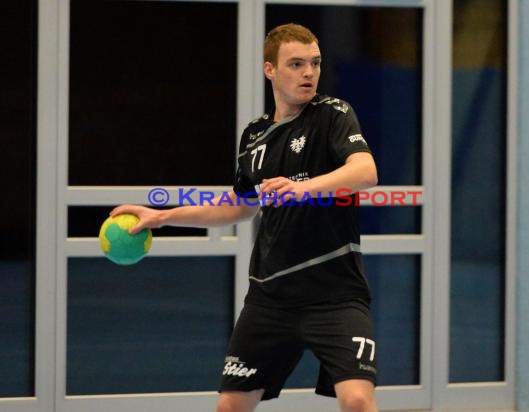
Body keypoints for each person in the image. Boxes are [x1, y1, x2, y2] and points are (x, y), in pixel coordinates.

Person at [112, 23, 379, 412]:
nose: (309, 73)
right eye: (296, 64)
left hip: (335, 296)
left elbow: (365, 171)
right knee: (230, 406)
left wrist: (302, 188)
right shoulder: (255, 136)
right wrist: (163, 216)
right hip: (270, 300)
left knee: (356, 399)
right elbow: (239, 205)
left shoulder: (332, 115)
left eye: (316, 63)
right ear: (270, 69)